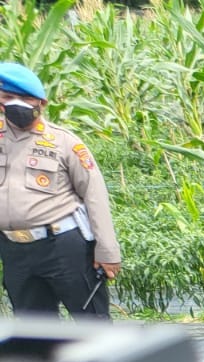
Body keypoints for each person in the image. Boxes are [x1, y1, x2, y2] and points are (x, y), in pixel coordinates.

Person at [0, 61, 121, 318]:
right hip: (15, 251)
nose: (15, 105)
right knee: (34, 334)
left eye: (24, 99)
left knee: (93, 326)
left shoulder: (64, 143)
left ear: (41, 103)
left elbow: (94, 194)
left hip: (64, 247)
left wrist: (107, 250)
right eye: (7, 98)